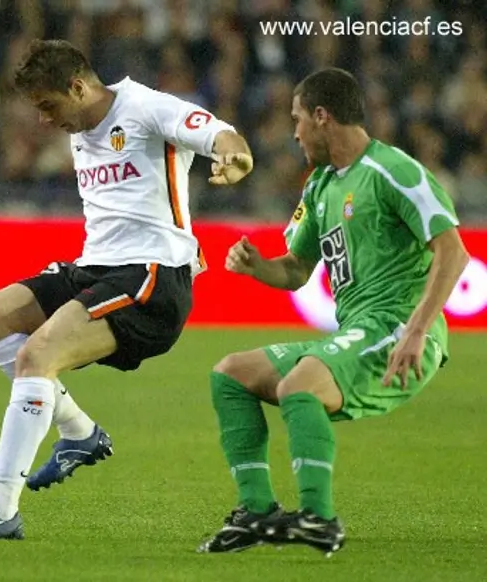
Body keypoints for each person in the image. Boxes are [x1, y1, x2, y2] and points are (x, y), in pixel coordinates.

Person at [0, 39, 253, 540]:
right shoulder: (82, 124)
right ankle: (79, 432)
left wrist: (235, 158)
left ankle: (0, 509)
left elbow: (218, 133)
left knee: (37, 356)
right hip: (95, 269)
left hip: (151, 277)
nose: (43, 120)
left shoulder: (146, 107)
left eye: (47, 106)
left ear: (78, 86)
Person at [198, 68, 469, 556]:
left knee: (299, 384)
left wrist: (416, 329)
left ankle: (318, 519)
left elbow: (453, 251)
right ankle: (258, 511)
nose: (295, 132)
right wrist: (258, 268)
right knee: (231, 374)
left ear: (322, 117)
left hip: (398, 330)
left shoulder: (393, 171)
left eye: (298, 119)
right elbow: (297, 270)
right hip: (357, 331)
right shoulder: (320, 185)